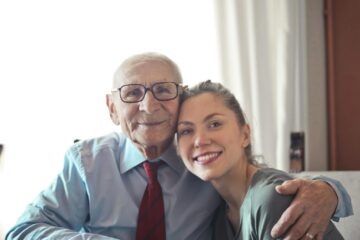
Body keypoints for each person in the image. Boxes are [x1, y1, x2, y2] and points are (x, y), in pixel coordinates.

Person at [6, 52, 352, 240]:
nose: (149, 105)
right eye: (132, 93)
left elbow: (263, 186)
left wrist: (329, 190)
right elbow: (21, 231)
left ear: (178, 100)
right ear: (112, 109)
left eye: (163, 90)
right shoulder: (86, 163)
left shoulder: (202, 163)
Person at [176, 80, 346, 239]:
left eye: (214, 124)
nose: (199, 140)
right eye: (186, 131)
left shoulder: (272, 198)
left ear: (245, 135)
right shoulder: (219, 212)